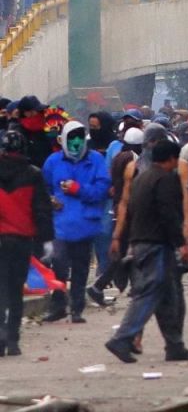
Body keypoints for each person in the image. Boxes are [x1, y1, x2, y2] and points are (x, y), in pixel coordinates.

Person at [103, 140, 188, 364]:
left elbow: (130, 209)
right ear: (172, 159)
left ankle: (174, 345)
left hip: (141, 242)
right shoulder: (165, 180)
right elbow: (168, 215)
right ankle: (122, 337)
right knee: (150, 293)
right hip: (157, 244)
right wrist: (182, 244)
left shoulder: (141, 179)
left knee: (168, 297)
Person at [42, 121, 111, 324]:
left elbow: (102, 191)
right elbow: (43, 188)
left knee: (81, 268)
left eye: (80, 138)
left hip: (85, 224)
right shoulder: (53, 162)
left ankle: (77, 309)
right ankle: (58, 306)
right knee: (59, 267)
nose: (76, 143)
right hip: (60, 225)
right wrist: (50, 200)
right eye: (71, 139)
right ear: (63, 140)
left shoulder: (96, 160)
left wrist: (78, 189)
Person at [0, 128, 53, 356]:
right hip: (22, 241)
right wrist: (47, 240)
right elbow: (42, 210)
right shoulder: (33, 174)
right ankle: (13, 341)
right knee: (15, 291)